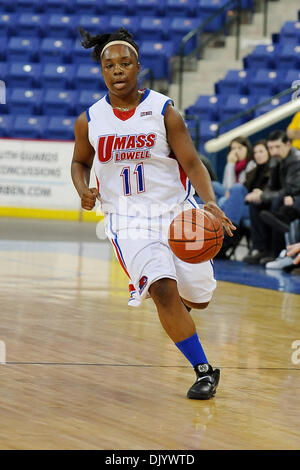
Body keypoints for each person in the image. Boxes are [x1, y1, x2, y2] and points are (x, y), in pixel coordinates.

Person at [70, 27, 236, 400]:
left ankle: (183, 310)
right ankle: (204, 371)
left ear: (138, 67)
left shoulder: (164, 111)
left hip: (178, 214)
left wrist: (208, 201)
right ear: (101, 71)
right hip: (128, 221)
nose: (117, 71)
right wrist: (84, 190)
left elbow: (192, 162)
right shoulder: (90, 120)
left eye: (124, 63)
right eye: (109, 65)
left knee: (200, 296)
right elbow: (80, 162)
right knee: (162, 288)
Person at [243, 130, 300, 265]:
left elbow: (292, 189)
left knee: (276, 202)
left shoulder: (296, 160)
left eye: (277, 147)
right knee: (256, 203)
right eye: (271, 148)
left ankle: (276, 252)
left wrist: (264, 195)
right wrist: (260, 195)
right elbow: (271, 186)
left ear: (288, 144)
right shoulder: (276, 159)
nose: (273, 151)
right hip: (283, 196)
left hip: (294, 197)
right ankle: (260, 249)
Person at [216, 140, 271, 258]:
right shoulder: (253, 172)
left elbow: (235, 189)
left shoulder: (271, 169)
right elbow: (230, 190)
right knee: (214, 186)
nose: (258, 155)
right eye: (256, 152)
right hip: (244, 205)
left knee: (234, 191)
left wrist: (261, 193)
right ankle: (221, 231)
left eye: (261, 151)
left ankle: (226, 233)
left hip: (258, 206)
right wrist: (230, 165)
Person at [212, 136, 254, 204]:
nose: (236, 151)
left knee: (216, 189)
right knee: (215, 193)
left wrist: (231, 164)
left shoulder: (251, 164)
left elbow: (233, 188)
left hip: (242, 196)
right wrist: (230, 164)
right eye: (233, 149)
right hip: (229, 195)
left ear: (247, 149)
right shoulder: (231, 163)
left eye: (240, 148)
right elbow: (225, 186)